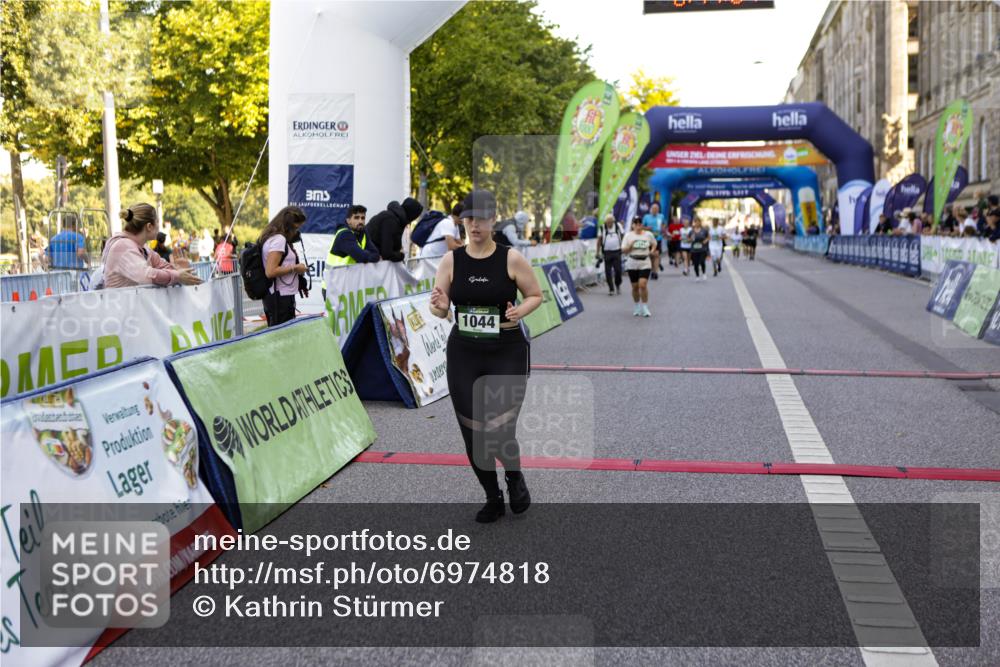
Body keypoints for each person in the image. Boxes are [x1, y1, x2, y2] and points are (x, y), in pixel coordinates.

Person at [428, 189, 542, 523]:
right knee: (473, 431)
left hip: (506, 351)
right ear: (462, 221)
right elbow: (440, 309)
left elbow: (535, 295)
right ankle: (492, 496)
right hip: (464, 352)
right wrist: (438, 306)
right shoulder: (451, 260)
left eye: (481, 219)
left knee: (501, 429)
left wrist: (519, 311)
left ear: (493, 220)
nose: (475, 225)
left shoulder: (511, 258)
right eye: (469, 219)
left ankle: (514, 476)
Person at [101, 203, 201, 289]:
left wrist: (178, 269)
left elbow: (161, 266)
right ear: (149, 226)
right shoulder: (122, 246)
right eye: (157, 221)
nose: (159, 226)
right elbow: (148, 276)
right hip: (119, 309)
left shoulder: (143, 248)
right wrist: (177, 275)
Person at [259, 206, 309, 327]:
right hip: (280, 298)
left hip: (279, 295)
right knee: (281, 338)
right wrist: (296, 268)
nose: (297, 232)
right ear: (289, 225)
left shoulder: (273, 237)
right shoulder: (279, 240)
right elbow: (270, 271)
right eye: (296, 228)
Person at [323, 205, 379, 299]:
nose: (360, 221)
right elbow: (362, 257)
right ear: (348, 220)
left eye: (363, 218)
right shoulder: (344, 234)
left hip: (349, 287)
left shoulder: (363, 232)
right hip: (334, 287)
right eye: (356, 218)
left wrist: (367, 256)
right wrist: (367, 256)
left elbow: (375, 254)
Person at [367, 197, 423, 262]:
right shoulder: (391, 220)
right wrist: (401, 255)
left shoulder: (396, 219)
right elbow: (387, 253)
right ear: (411, 215)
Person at [622, 215, 656, 317]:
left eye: (639, 223)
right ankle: (637, 306)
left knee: (643, 284)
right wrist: (630, 246)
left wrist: (652, 251)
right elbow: (623, 250)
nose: (638, 225)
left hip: (645, 262)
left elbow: (654, 244)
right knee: (635, 287)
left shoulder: (648, 235)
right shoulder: (628, 236)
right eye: (635, 223)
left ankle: (645, 307)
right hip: (632, 261)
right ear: (632, 225)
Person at [597, 214, 624, 296]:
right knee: (608, 272)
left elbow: (623, 235)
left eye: (610, 222)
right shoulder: (602, 228)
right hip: (607, 252)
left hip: (617, 251)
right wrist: (597, 252)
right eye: (607, 222)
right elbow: (599, 240)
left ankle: (617, 284)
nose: (609, 224)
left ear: (613, 221)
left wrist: (622, 245)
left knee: (618, 270)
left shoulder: (618, 226)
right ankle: (611, 288)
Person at [642, 202, 665, 279]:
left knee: (656, 255)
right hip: (648, 239)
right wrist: (647, 228)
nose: (655, 210)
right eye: (653, 209)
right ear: (651, 209)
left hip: (658, 238)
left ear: (658, 210)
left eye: (656, 209)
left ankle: (655, 272)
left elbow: (664, 225)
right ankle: (653, 270)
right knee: (651, 255)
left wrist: (663, 229)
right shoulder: (646, 217)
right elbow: (641, 226)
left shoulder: (661, 216)